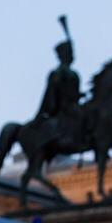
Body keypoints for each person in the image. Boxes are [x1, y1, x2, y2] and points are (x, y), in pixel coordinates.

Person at [33, 15, 84, 145]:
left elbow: (75, 93)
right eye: (70, 53)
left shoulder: (74, 74)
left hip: (73, 106)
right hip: (63, 108)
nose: (72, 55)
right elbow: (51, 93)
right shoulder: (58, 73)